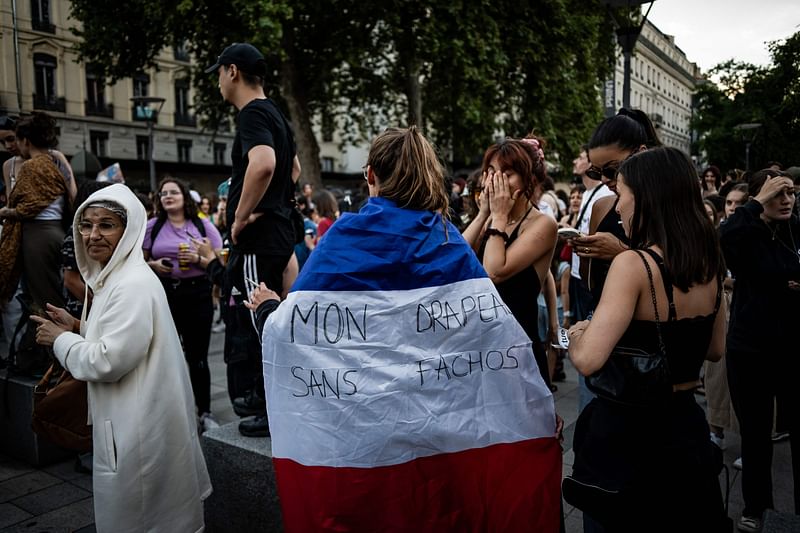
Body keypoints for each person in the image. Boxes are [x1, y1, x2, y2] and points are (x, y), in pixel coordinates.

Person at [247, 126, 562, 531]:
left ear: (370, 176)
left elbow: (293, 329)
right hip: (438, 428)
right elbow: (491, 333)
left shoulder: (344, 236)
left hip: (365, 435)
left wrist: (268, 308)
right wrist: (530, 401)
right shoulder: (447, 240)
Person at [31, 183, 211, 532]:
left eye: (106, 225)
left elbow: (107, 361)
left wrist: (61, 340)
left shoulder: (130, 283)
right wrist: (80, 327)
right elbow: (123, 336)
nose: (93, 234)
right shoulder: (118, 277)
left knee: (141, 516)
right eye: (86, 224)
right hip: (138, 417)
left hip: (137, 425)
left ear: (128, 231)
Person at [566, 147, 728, 531]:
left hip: (630, 435)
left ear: (646, 197)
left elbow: (588, 359)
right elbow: (716, 349)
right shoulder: (708, 258)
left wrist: (578, 333)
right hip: (686, 428)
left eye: (621, 194)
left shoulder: (633, 264)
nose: (618, 208)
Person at [206, 42, 302, 437]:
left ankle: (269, 406)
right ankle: (281, 403)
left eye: (218, 73)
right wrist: (274, 203)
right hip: (279, 233)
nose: (217, 81)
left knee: (257, 321)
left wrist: (241, 216)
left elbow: (264, 164)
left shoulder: (252, 114)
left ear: (231, 72)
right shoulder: (275, 113)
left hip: (259, 240)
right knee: (275, 315)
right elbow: (293, 169)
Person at [720, 168, 800, 532]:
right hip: (750, 348)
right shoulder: (745, 231)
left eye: (790, 193)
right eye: (776, 194)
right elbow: (723, 237)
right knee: (754, 435)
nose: (785, 200)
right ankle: (756, 507)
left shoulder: (794, 229)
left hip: (792, 348)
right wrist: (755, 203)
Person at [462, 136, 558, 388]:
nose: (497, 180)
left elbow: (495, 271)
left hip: (518, 353)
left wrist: (499, 216)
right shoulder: (491, 220)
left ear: (528, 179)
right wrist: (484, 213)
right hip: (483, 350)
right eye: (491, 172)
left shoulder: (542, 224)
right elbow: (455, 259)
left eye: (508, 173)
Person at [143, 177, 223, 431]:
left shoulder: (202, 225)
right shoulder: (153, 226)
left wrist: (199, 259)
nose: (167, 196)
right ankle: (170, 413)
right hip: (165, 293)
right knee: (163, 355)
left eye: (173, 192)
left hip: (198, 294)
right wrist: (154, 266)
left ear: (184, 197)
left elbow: (219, 262)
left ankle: (204, 412)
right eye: (163, 193)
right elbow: (137, 262)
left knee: (198, 357)